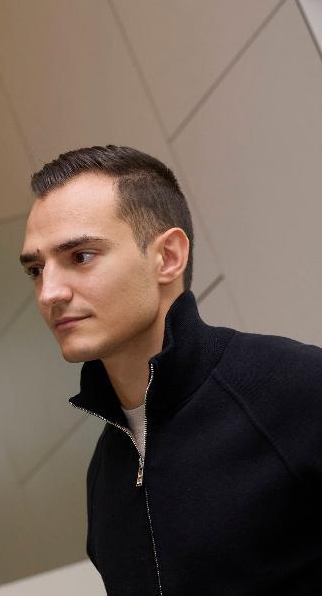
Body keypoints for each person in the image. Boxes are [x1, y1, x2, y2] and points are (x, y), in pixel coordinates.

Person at [19, 145, 322, 593]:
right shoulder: (105, 472)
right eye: (37, 270)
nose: (49, 292)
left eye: (80, 256)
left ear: (168, 257)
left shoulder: (298, 391)